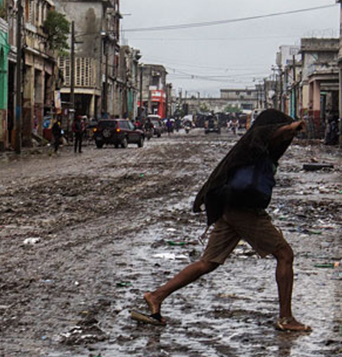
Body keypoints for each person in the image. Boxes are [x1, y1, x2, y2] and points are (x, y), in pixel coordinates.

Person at [131, 109, 310, 332]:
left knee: (208, 262)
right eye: (283, 134)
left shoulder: (259, 151)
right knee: (285, 254)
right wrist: (291, 127)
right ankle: (286, 318)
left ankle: (156, 296)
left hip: (229, 208)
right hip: (242, 209)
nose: (287, 140)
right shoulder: (255, 144)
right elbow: (266, 133)